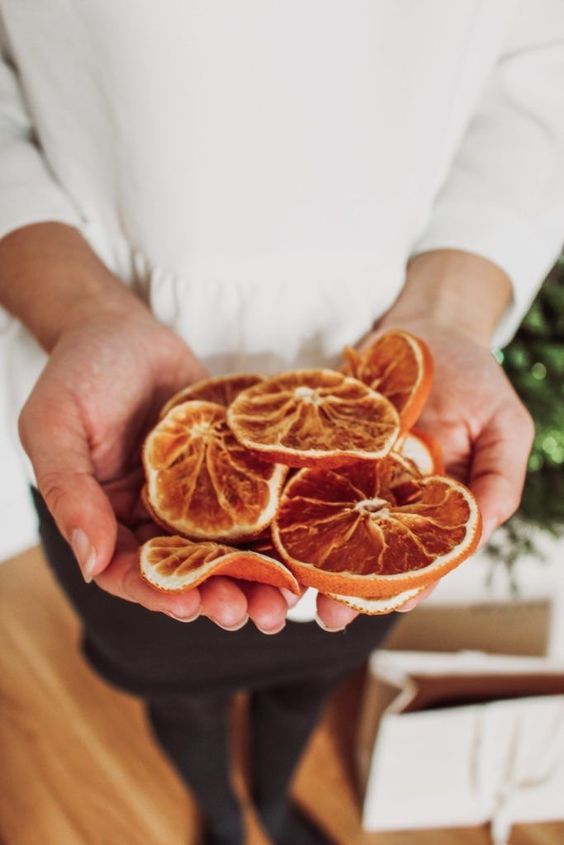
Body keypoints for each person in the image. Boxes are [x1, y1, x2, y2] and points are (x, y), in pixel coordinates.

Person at [1, 3, 563, 844]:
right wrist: (79, 308)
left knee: (314, 675)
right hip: (123, 450)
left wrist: (448, 311)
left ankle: (268, 797)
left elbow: (540, 66)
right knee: (177, 693)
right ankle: (223, 813)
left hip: (395, 429)